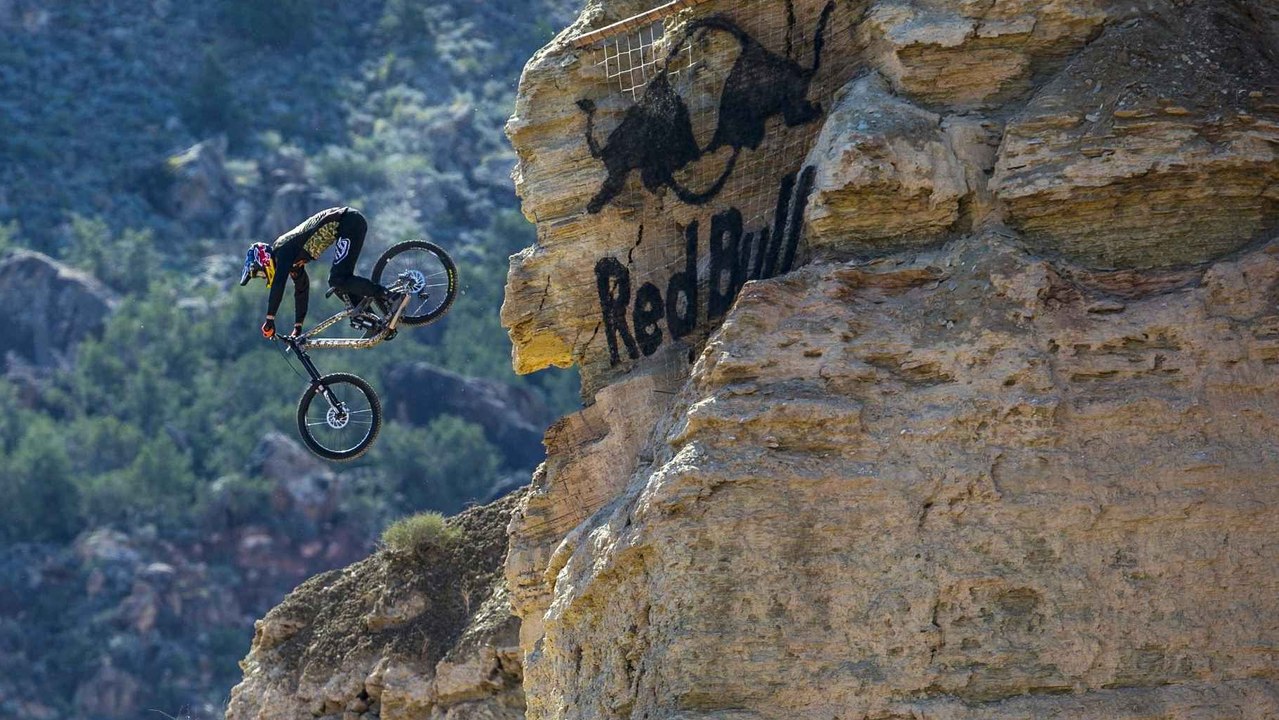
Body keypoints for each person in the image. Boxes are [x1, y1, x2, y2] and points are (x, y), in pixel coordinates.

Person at [239, 206, 391, 339]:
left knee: (338, 279)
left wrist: (270, 319)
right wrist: (298, 327)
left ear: (262, 260)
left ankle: (388, 295)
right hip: (347, 225)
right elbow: (301, 290)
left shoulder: (282, 250)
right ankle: (376, 322)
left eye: (259, 273)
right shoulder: (292, 262)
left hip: (348, 222)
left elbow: (278, 284)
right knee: (339, 286)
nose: (263, 276)